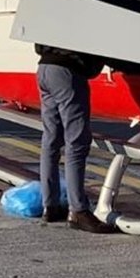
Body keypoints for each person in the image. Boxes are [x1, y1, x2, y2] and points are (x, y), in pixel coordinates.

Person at [35, 44, 116, 233]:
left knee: (51, 140)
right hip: (67, 71)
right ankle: (78, 210)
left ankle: (50, 206)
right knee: (76, 143)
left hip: (44, 68)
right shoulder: (88, 15)